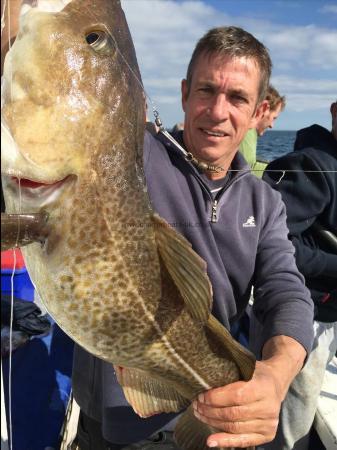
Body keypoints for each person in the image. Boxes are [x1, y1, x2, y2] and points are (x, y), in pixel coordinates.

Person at [71, 26, 314, 449]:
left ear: (259, 112)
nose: (218, 111)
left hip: (212, 410)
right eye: (206, 90)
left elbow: (285, 290)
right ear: (184, 94)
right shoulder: (133, 152)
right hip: (116, 413)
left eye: (237, 97)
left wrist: (276, 375)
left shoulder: (265, 201)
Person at [260, 101, 337, 450]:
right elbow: (272, 243)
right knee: (288, 432)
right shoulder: (310, 167)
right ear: (335, 112)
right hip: (307, 320)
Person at [240, 85, 286, 177]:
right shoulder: (248, 130)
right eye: (274, 118)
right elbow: (245, 171)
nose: (271, 125)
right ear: (264, 109)